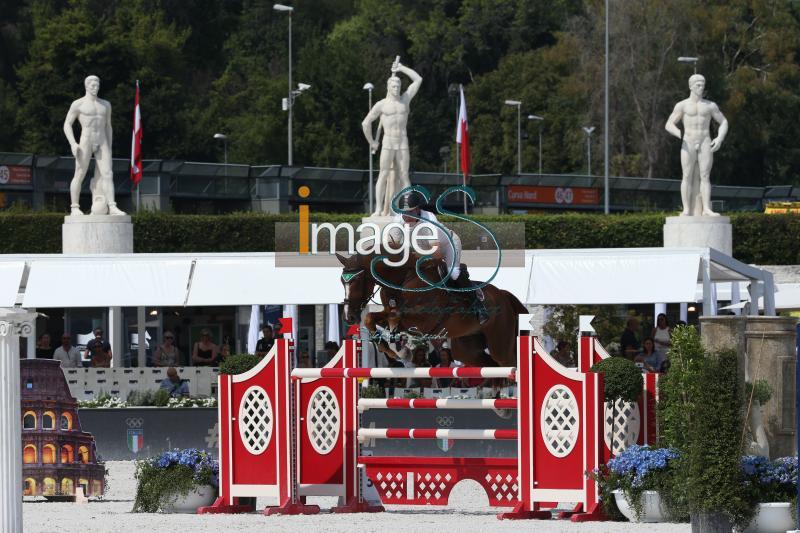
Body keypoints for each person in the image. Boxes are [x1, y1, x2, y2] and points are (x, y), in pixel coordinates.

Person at [394, 192, 489, 324]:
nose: (406, 216)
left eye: (409, 212)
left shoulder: (429, 219)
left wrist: (415, 254)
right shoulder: (398, 220)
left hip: (447, 245)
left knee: (453, 274)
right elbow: (393, 246)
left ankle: (478, 305)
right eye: (403, 212)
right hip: (422, 248)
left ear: (417, 209)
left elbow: (437, 254)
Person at [361, 57, 422, 216]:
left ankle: (407, 209)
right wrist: (372, 142)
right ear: (388, 87)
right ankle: (378, 209)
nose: (396, 88)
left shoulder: (405, 100)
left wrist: (401, 68)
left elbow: (418, 79)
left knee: (404, 175)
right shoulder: (381, 104)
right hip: (387, 142)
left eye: (399, 85)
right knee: (383, 174)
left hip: (402, 141)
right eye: (394, 86)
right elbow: (366, 123)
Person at [665, 73, 728, 217]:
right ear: (690, 86)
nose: (701, 88)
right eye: (698, 85)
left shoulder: (710, 105)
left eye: (703, 85)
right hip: (688, 142)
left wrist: (719, 138)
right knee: (686, 175)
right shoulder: (682, 105)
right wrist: (679, 134)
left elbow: (724, 122)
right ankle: (686, 209)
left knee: (705, 176)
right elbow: (668, 124)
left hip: (705, 140)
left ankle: (706, 208)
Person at [63, 75, 125, 216]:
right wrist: (73, 143)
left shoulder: (105, 104)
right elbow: (67, 124)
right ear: (86, 86)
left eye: (97, 85)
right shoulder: (78, 104)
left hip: (102, 141)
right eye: (92, 85)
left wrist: (109, 145)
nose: (95, 87)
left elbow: (108, 126)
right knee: (79, 173)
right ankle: (74, 207)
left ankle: (112, 205)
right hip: (86, 140)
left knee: (108, 174)